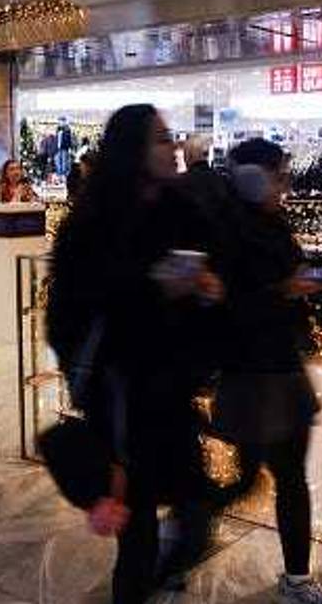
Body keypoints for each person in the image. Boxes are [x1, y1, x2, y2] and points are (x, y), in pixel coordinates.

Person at [47, 104, 222, 604]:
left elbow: (207, 281)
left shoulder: (182, 212)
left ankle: (164, 573)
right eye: (161, 140)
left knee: (195, 514)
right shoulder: (92, 225)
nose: (173, 148)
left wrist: (207, 290)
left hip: (173, 391)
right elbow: (72, 313)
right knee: (139, 532)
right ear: (133, 151)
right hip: (122, 397)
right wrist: (154, 289)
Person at [212, 138, 322, 604]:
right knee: (256, 476)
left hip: (281, 365)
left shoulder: (268, 224)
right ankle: (186, 530)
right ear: (253, 178)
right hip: (254, 370)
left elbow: (278, 279)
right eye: (279, 175)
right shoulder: (229, 230)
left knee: (284, 476)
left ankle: (297, 578)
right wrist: (286, 288)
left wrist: (305, 278)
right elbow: (228, 304)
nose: (286, 184)